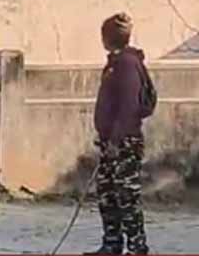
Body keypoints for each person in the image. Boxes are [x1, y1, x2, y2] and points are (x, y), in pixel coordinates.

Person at [87, 13, 150, 256]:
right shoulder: (116, 62)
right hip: (110, 142)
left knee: (126, 196)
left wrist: (115, 139)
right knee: (108, 195)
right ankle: (112, 243)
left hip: (123, 143)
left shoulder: (126, 64)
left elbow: (129, 107)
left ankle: (137, 247)